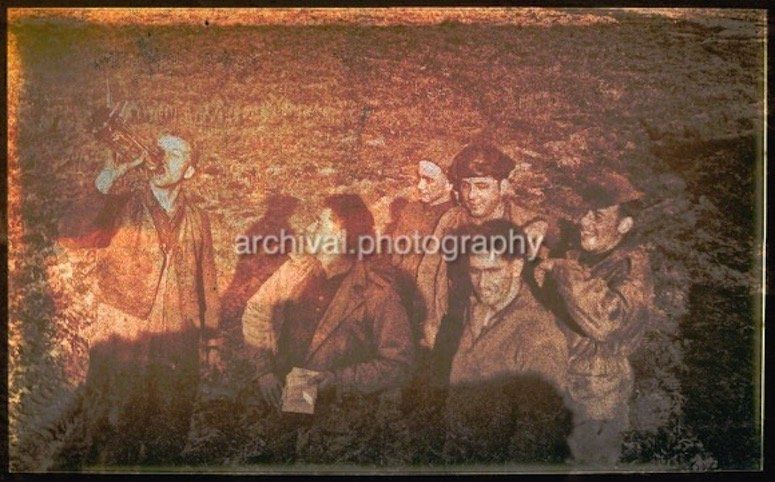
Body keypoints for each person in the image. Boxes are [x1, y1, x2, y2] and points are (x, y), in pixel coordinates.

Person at [55, 134, 222, 466]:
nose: (162, 157)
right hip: (124, 341)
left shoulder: (198, 218)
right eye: (160, 150)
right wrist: (106, 180)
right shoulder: (120, 206)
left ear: (190, 170)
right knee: (112, 437)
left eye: (175, 154)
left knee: (168, 437)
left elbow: (207, 285)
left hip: (176, 344)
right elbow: (70, 234)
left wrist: (212, 345)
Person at [240, 194, 415, 463]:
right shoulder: (297, 270)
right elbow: (256, 309)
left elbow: (398, 363)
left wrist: (336, 379)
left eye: (319, 223)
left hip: (339, 420)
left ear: (342, 235)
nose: (309, 228)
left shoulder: (377, 293)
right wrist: (263, 370)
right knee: (282, 458)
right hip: (287, 395)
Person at [538, 168, 654, 466]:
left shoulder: (632, 269)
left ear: (624, 225)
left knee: (587, 466)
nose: (584, 222)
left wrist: (562, 270)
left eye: (598, 216)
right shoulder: (586, 250)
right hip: (560, 377)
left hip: (595, 394)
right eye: (585, 213)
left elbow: (607, 322)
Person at [442, 219, 570, 463]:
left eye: (492, 271)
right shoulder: (473, 308)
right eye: (475, 271)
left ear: (516, 267)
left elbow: (537, 434)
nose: (482, 284)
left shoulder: (538, 335)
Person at [416, 142, 554, 350]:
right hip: (455, 320)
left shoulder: (526, 225)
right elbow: (427, 273)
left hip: (502, 329)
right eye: (466, 186)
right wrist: (429, 320)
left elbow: (539, 290)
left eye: (482, 186)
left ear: (503, 187)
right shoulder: (451, 220)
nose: (472, 195)